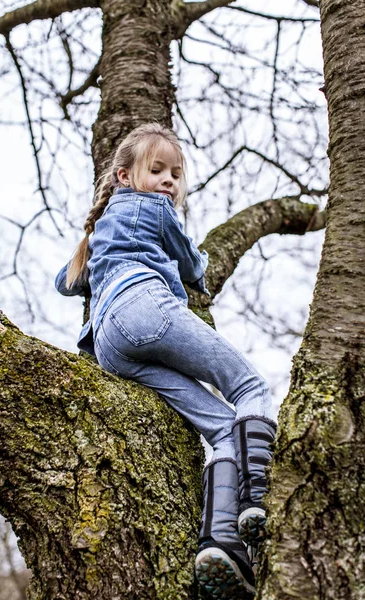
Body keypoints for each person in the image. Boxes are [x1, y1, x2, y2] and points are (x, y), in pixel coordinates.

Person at [55, 123, 276, 598]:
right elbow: (195, 268)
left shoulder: (97, 236)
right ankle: (257, 495)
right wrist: (193, 263)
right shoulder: (155, 207)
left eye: (176, 174)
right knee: (249, 387)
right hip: (147, 307)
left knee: (221, 428)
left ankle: (222, 546)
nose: (170, 181)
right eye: (157, 170)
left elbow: (65, 282)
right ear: (123, 175)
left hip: (109, 346)